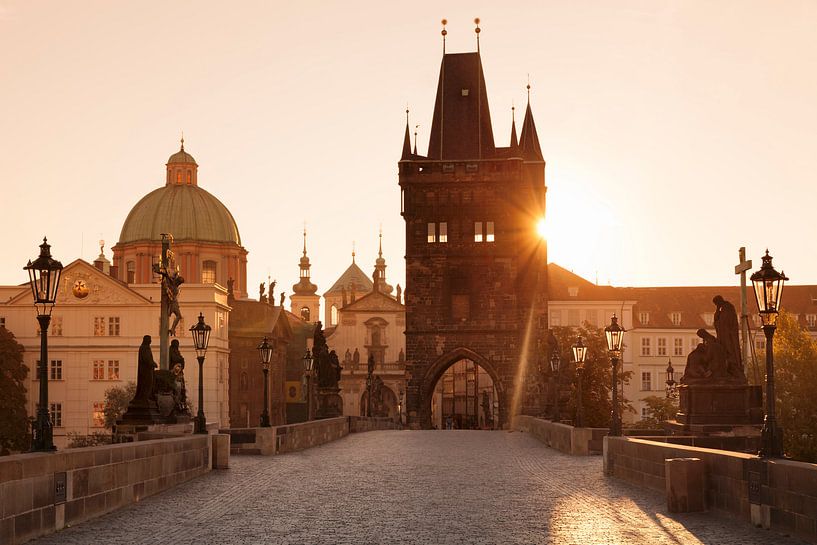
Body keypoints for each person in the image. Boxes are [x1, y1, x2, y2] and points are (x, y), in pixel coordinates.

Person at [713, 295, 744, 379]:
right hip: (723, 335)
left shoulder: (728, 308)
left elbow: (724, 322)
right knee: (723, 351)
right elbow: (717, 321)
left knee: (729, 350)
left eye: (716, 304)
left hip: (729, 336)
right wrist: (717, 312)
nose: (717, 305)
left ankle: (732, 366)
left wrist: (718, 317)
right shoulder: (722, 309)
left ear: (719, 301)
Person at [133, 335, 158, 405]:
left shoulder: (146, 347)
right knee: (147, 383)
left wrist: (152, 363)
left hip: (148, 369)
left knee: (149, 383)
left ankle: (147, 397)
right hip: (145, 371)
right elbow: (146, 359)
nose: (151, 341)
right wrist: (153, 363)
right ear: (146, 340)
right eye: (150, 339)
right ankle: (145, 397)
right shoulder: (144, 348)